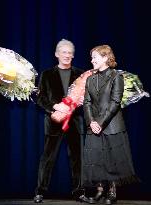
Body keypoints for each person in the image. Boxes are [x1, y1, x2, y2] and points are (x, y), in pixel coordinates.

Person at [80, 45, 138, 204]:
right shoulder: (90, 78)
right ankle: (99, 191)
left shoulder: (116, 76)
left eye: (95, 57)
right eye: (91, 57)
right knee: (97, 159)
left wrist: (100, 122)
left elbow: (115, 102)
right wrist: (91, 121)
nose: (92, 60)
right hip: (93, 125)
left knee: (111, 159)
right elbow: (86, 102)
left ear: (105, 58)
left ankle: (112, 192)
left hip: (111, 125)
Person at [34, 39, 85, 203]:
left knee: (77, 158)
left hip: (75, 122)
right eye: (64, 52)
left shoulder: (81, 75)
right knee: (48, 158)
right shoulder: (47, 74)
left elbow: (86, 98)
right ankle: (40, 192)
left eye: (70, 53)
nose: (67, 55)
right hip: (54, 121)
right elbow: (40, 99)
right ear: (57, 54)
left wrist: (79, 103)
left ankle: (79, 192)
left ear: (73, 55)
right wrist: (55, 106)